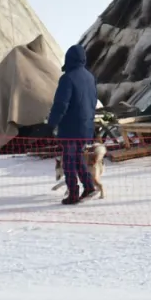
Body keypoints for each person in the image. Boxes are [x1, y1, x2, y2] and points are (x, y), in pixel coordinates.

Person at [47, 44, 98, 205]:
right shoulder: (90, 77)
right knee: (77, 158)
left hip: (70, 128)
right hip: (86, 126)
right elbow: (93, 101)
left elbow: (61, 104)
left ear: (69, 59)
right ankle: (89, 186)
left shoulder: (67, 78)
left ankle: (73, 194)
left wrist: (51, 124)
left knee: (68, 161)